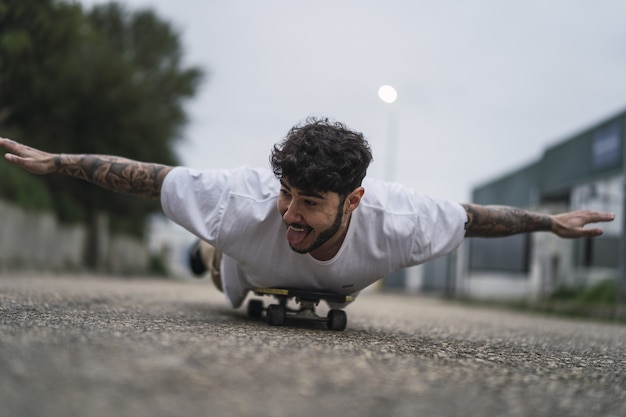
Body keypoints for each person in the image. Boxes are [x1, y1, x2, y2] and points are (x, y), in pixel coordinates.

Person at [0, 118, 615, 308]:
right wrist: (57, 163)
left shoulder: (403, 221)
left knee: (327, 268)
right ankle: (205, 252)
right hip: (241, 262)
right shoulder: (243, 201)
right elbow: (148, 177)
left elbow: (474, 217)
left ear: (353, 201)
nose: (291, 212)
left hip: (342, 277)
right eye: (286, 193)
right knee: (218, 253)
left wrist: (546, 220)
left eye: (310, 203)